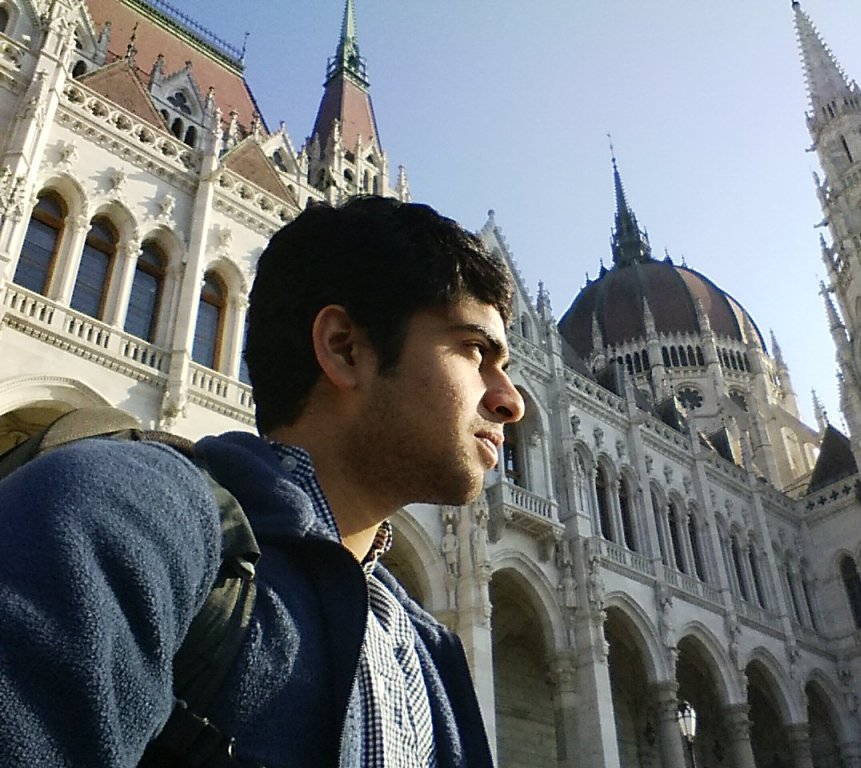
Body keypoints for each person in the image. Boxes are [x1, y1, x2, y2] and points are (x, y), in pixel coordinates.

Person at [0, 196, 524, 767]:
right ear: (344, 348)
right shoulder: (121, 511)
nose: (510, 402)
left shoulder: (427, 650)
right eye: (476, 352)